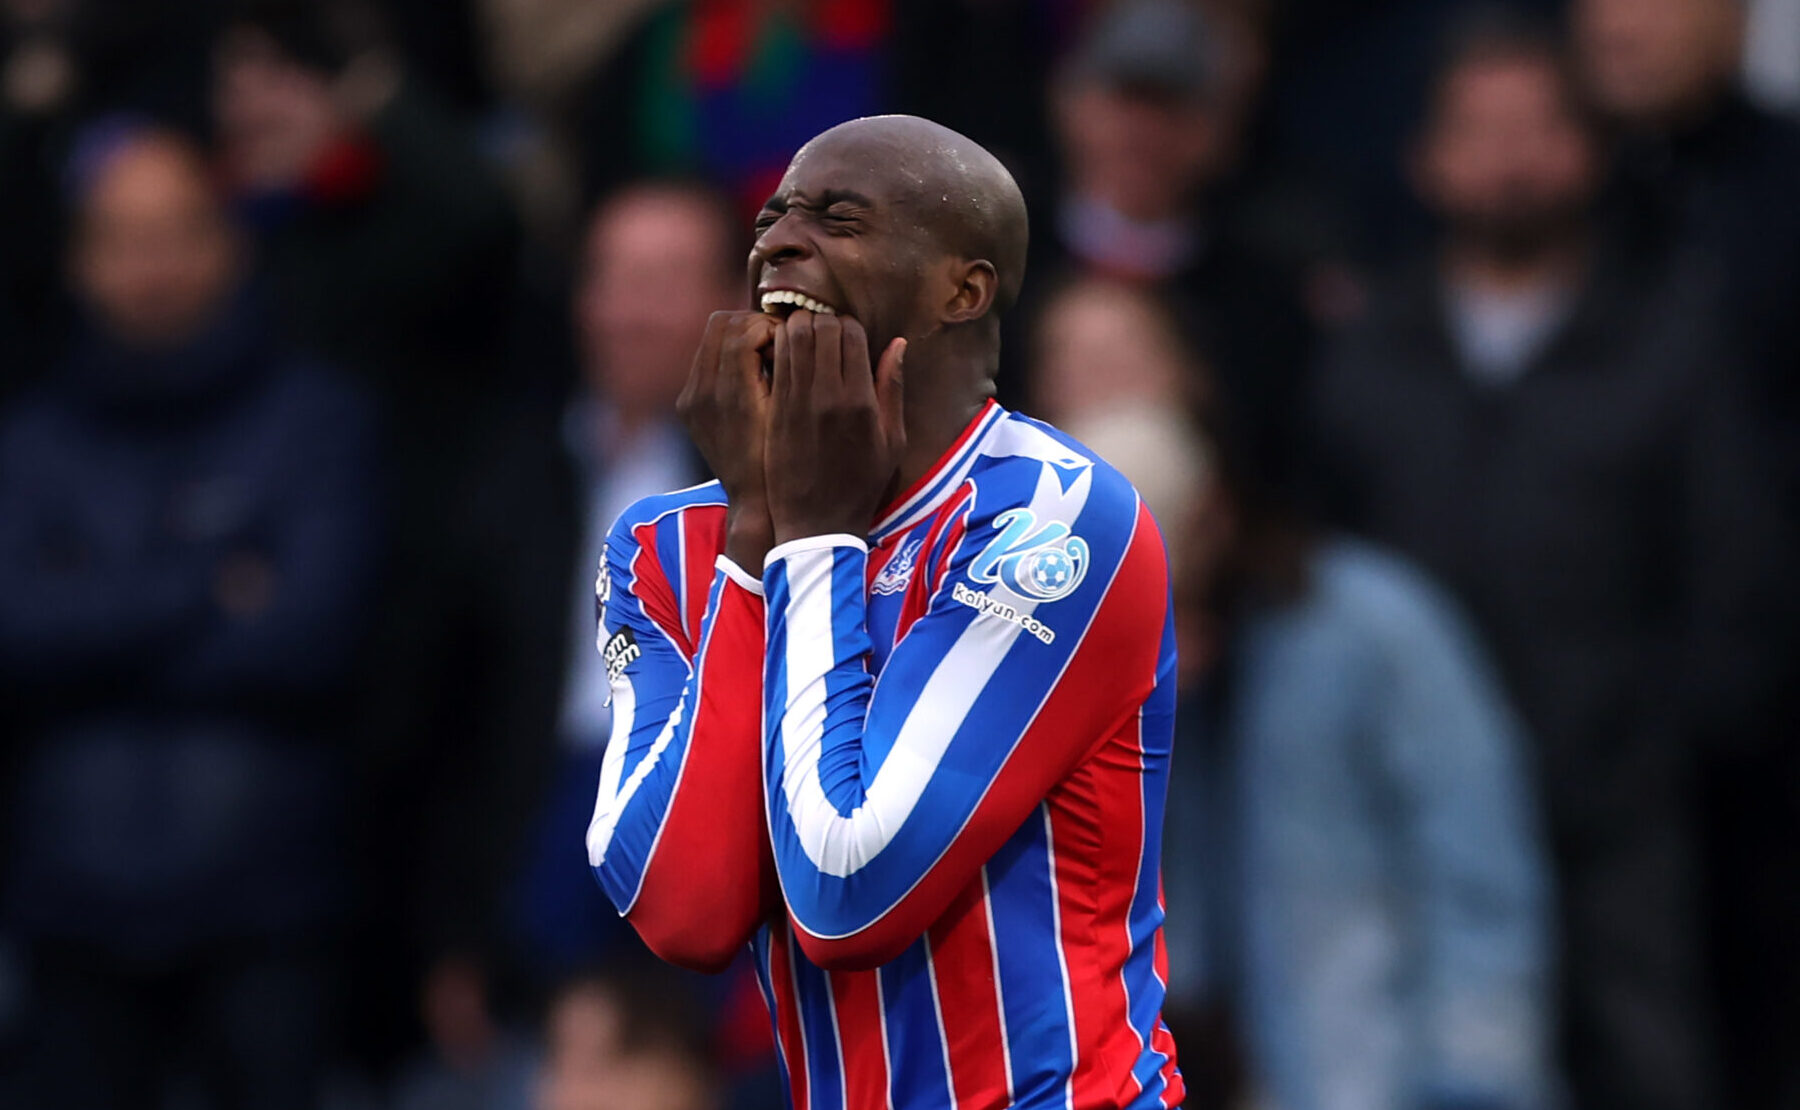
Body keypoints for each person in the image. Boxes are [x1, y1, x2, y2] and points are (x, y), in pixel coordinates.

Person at [586, 115, 1184, 1110]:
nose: (778, 240)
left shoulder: (1056, 523)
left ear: (964, 287)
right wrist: (753, 541)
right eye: (774, 214)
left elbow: (847, 894)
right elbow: (684, 913)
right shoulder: (668, 549)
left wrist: (812, 540)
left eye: (838, 218)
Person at [1309, 17, 1776, 1110]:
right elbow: (1322, 581)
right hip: (1406, 814)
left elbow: (1739, 573)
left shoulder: (1674, 337)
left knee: (1647, 1059)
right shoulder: (1369, 351)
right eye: (1481, 130)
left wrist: (1659, 739)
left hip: (1624, 809)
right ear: (1427, 157)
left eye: (1542, 127)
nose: (1513, 159)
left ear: (1594, 147)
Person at [0, 122, 377, 1110]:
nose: (151, 267)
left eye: (175, 232)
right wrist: (208, 586)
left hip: (267, 916)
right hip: (73, 920)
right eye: (123, 238)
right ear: (80, 260)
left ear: (230, 241)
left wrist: (102, 610)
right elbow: (20, 631)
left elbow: (312, 635)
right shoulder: (33, 441)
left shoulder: (315, 420)